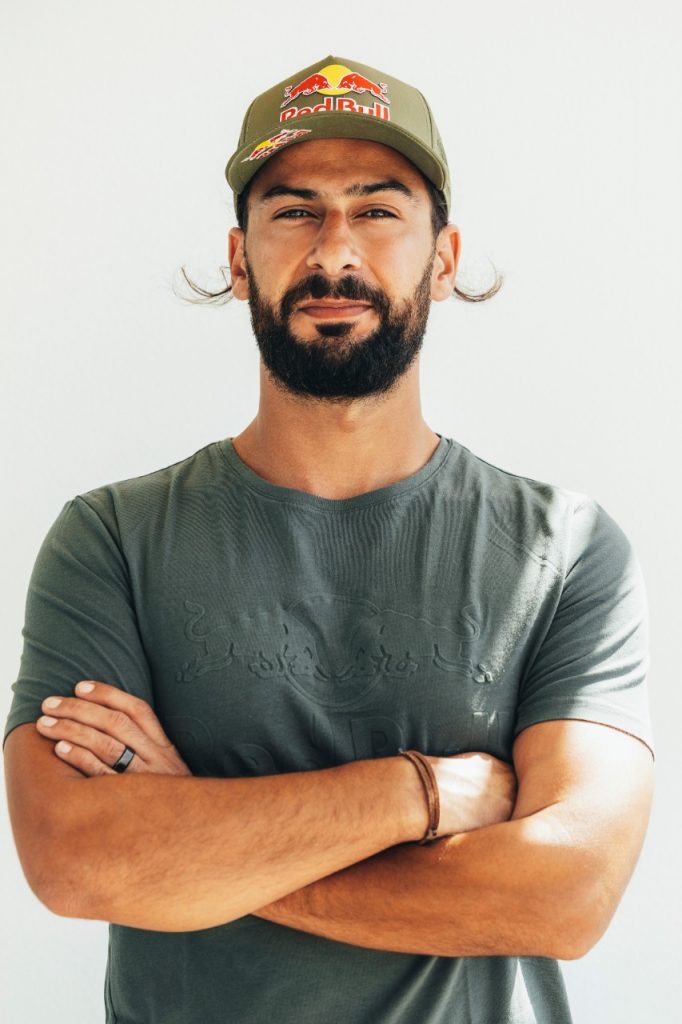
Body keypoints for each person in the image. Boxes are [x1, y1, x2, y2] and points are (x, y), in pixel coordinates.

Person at [3, 54, 655, 1024]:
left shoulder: (563, 548)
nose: (334, 251)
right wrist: (419, 794)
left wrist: (196, 838)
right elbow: (76, 860)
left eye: (377, 209)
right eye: (294, 211)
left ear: (443, 257)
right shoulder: (113, 539)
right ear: (239, 259)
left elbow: (564, 896)